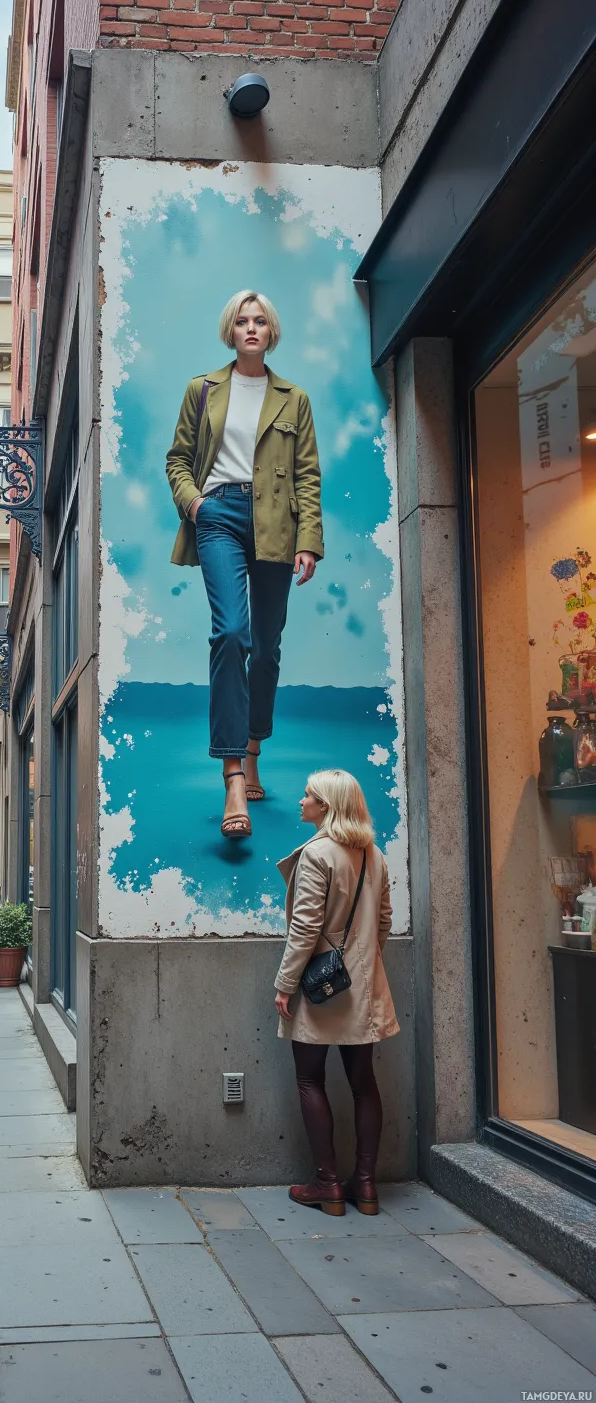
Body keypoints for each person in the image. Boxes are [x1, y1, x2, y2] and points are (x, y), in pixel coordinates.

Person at [166, 290, 323, 841]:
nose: (251, 328)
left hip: (277, 522)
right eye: (241, 320)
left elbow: (307, 475)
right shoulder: (202, 390)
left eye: (259, 321)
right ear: (230, 331)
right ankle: (233, 773)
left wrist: (309, 539)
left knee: (267, 643)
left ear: (270, 331)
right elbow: (178, 458)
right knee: (231, 632)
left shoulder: (294, 398)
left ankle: (255, 745)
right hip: (220, 516)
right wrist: (195, 503)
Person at [274, 769, 399, 1217]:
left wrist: (285, 984)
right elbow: (383, 921)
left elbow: (305, 927)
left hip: (320, 988)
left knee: (310, 1079)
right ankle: (365, 1187)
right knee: (364, 1083)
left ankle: (327, 1185)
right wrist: (362, 962)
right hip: (361, 987)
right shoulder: (374, 855)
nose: (301, 800)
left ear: (326, 806)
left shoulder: (318, 854)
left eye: (308, 795)